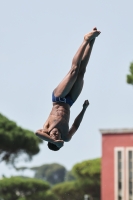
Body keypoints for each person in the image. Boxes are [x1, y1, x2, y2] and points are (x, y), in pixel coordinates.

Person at [35, 27, 101, 151]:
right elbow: (76, 125)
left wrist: (53, 141)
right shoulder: (66, 136)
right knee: (81, 72)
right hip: (70, 101)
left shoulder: (46, 129)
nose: (56, 134)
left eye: (54, 136)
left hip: (58, 98)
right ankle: (92, 41)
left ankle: (85, 40)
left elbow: (36, 133)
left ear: (50, 136)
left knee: (74, 71)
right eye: (57, 137)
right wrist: (84, 109)